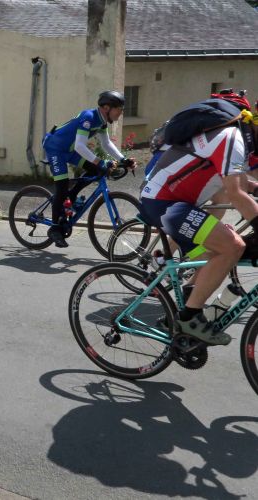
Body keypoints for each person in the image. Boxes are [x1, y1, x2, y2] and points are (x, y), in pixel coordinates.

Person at [139, 94, 258, 346]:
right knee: (232, 246)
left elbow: (239, 181)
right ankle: (190, 319)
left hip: (176, 203)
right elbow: (235, 193)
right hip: (164, 203)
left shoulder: (236, 140)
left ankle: (179, 313)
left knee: (216, 253)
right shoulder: (232, 138)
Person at [42, 90, 136, 247]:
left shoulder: (101, 122)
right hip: (55, 148)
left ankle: (71, 196)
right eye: (119, 109)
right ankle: (55, 228)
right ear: (106, 108)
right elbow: (80, 146)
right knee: (62, 186)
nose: (120, 113)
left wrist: (123, 160)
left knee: (94, 170)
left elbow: (106, 144)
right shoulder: (89, 117)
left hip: (70, 150)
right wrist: (100, 161)